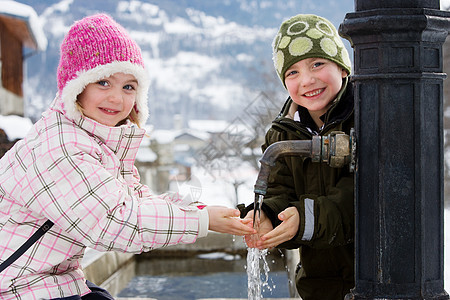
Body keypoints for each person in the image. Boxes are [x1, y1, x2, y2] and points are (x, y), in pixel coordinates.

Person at [0, 14, 255, 300]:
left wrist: (201, 211)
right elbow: (114, 222)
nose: (117, 99)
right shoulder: (60, 147)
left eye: (128, 87)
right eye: (103, 83)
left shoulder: (98, 140)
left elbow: (137, 202)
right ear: (76, 88)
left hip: (51, 278)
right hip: (16, 284)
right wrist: (201, 221)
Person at [242, 14, 354, 300]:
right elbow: (280, 191)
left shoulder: (365, 116)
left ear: (342, 68)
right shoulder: (283, 135)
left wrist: (303, 220)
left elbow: (359, 198)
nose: (307, 80)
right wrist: (266, 216)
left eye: (317, 63)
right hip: (317, 287)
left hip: (374, 279)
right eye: (292, 72)